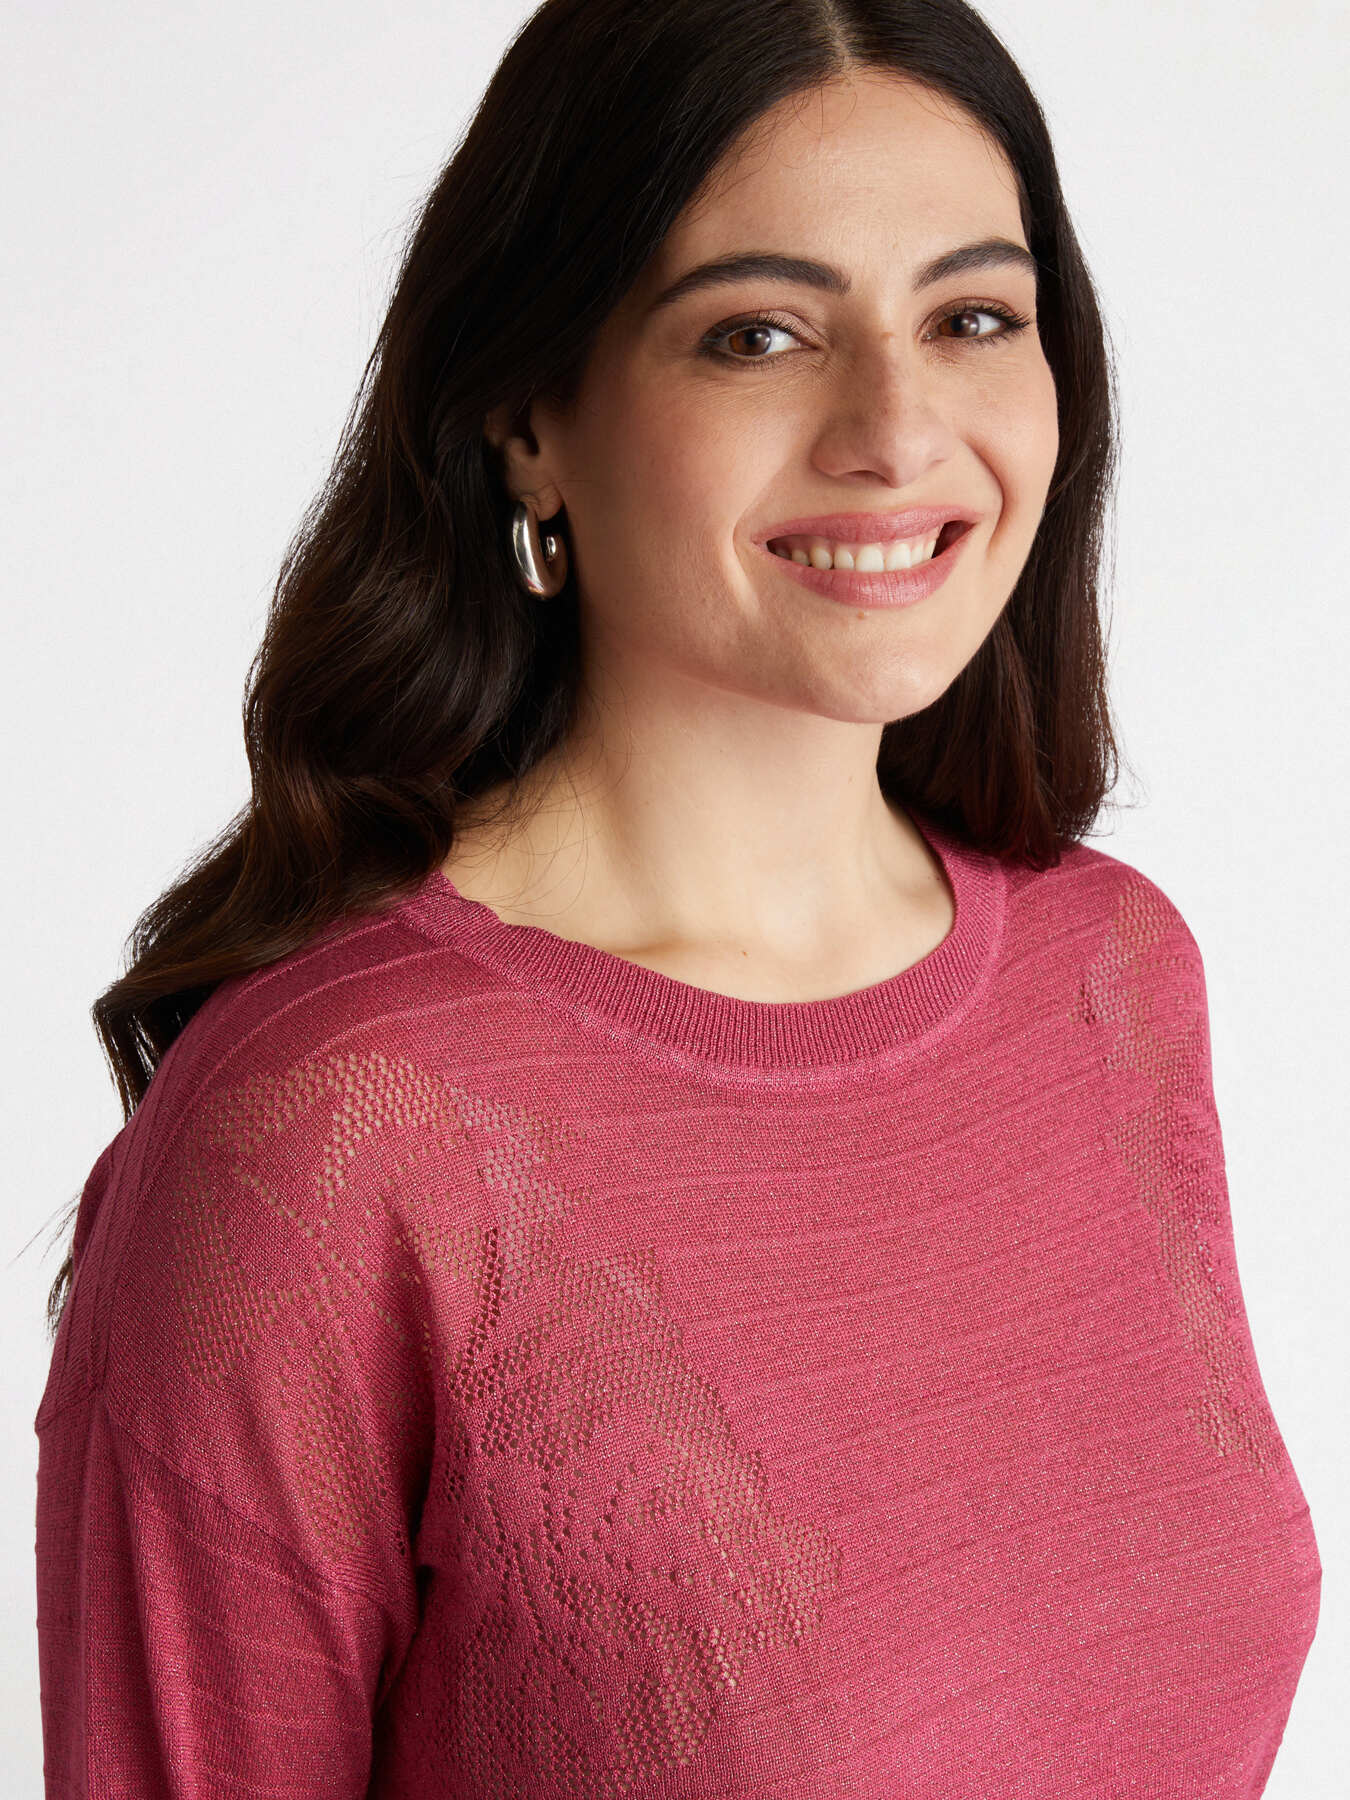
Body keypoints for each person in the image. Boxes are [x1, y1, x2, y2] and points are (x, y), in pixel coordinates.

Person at [33, 0, 1321, 1794]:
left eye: (970, 317)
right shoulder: (329, 1134)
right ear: (526, 421)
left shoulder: (1109, 974)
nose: (896, 429)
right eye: (755, 335)